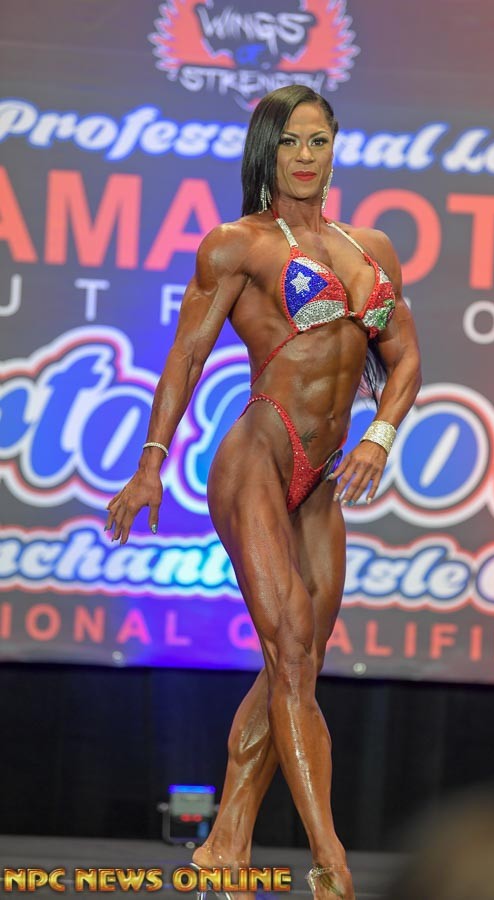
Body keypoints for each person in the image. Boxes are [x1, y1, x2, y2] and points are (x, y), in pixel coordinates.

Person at [105, 85, 421, 899]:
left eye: (319, 140)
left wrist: (380, 435)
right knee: (289, 655)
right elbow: (185, 356)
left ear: (335, 147)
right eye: (290, 142)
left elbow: (405, 359)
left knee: (299, 663)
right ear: (266, 151)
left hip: (323, 476)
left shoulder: (372, 247)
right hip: (257, 455)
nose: (306, 156)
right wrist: (151, 463)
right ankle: (331, 861)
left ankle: (226, 843)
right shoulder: (237, 245)